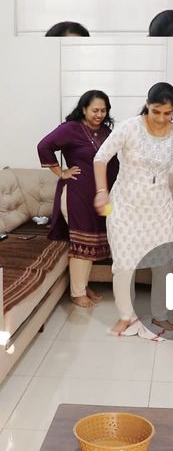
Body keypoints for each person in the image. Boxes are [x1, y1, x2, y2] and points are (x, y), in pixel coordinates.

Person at [93, 82, 173, 336]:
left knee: (163, 263)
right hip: (126, 206)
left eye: (167, 113)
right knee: (125, 265)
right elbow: (101, 157)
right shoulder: (129, 128)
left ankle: (160, 315)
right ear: (147, 105)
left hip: (159, 207)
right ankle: (127, 316)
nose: (161, 118)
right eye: (156, 111)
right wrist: (102, 192)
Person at [37, 90, 119, 307]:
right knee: (81, 240)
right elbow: (43, 146)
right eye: (95, 110)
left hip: (100, 196)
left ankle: (82, 284)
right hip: (76, 194)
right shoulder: (71, 129)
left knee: (92, 239)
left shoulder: (106, 132)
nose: (99, 114)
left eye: (103, 110)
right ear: (83, 109)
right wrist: (61, 172)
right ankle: (77, 293)